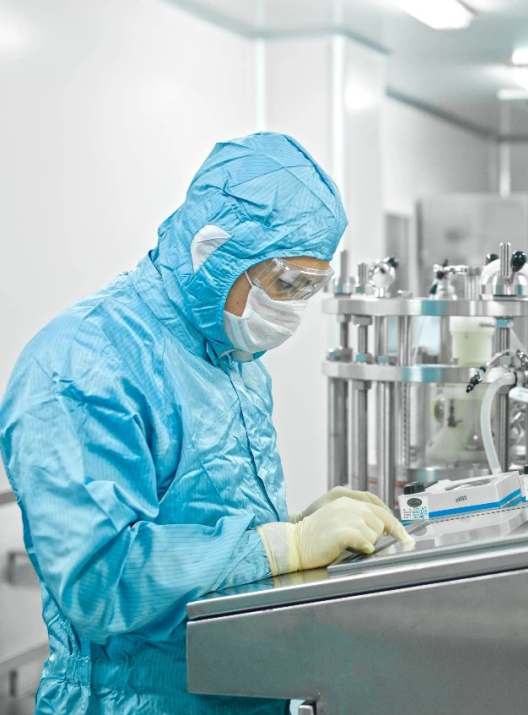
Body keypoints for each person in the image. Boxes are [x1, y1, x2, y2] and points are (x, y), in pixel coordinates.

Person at [0, 133, 411, 714]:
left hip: (241, 689)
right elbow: (99, 580)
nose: (292, 307)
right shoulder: (82, 362)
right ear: (212, 251)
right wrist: (284, 546)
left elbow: (202, 518)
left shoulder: (234, 356)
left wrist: (296, 527)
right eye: (285, 283)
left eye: (309, 287)